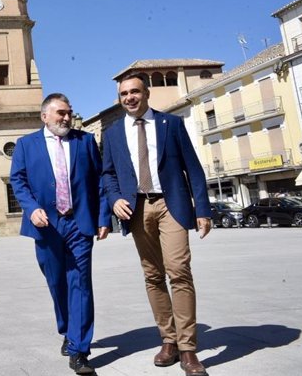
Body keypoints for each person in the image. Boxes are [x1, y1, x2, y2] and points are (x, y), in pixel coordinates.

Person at [101, 73, 212, 376]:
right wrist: (113, 199)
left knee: (178, 271)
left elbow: (193, 167)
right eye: (124, 94)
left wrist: (202, 209)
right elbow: (107, 174)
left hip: (170, 204)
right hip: (136, 209)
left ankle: (188, 350)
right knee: (152, 275)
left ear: (146, 93)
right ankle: (169, 340)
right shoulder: (111, 133)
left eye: (134, 91)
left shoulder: (171, 124)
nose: (129, 98)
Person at [10, 93, 111, 375]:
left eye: (69, 112)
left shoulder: (85, 141)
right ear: (45, 116)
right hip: (46, 225)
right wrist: (31, 208)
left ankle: (80, 349)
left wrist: (103, 217)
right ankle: (68, 329)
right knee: (56, 282)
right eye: (60, 113)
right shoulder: (25, 145)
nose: (66, 117)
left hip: (79, 223)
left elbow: (98, 181)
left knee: (80, 283)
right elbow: (17, 181)